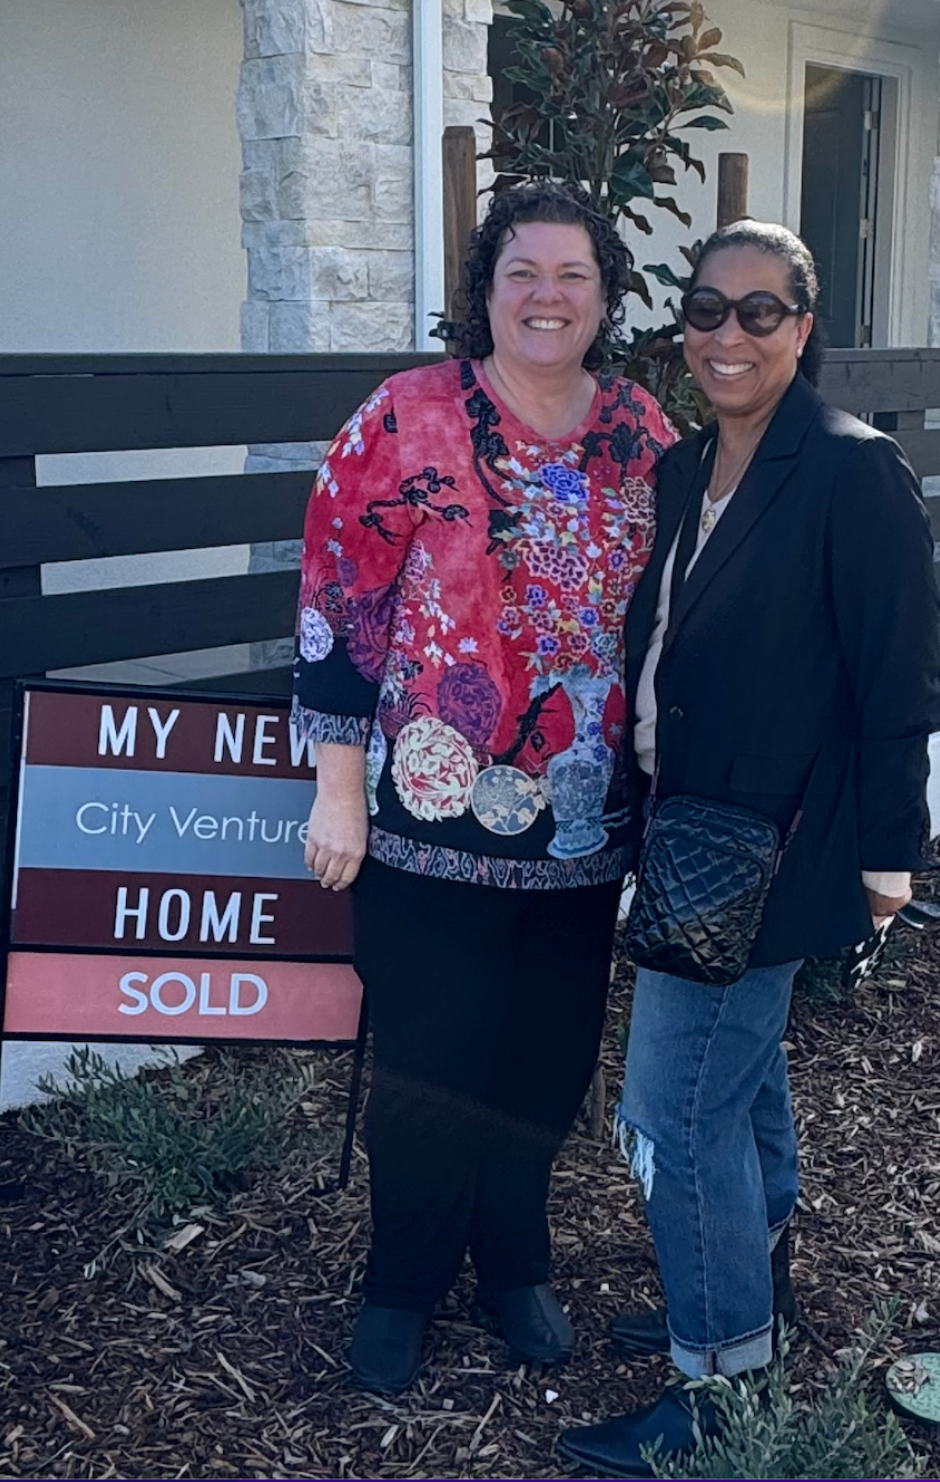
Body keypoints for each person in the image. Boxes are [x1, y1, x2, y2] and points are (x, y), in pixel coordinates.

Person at [558, 220, 940, 1477]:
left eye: (758, 313)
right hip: (684, 835)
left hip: (774, 853)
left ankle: (717, 1384)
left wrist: (894, 857)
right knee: (741, 1090)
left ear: (803, 326)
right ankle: (745, 1304)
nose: (728, 335)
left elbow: (899, 683)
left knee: (671, 1114)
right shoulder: (681, 470)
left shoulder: (848, 470)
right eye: (707, 312)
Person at [292, 181, 677, 1395]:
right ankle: (401, 1282)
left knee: (544, 1066)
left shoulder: (644, 436)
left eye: (571, 275)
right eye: (522, 273)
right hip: (421, 819)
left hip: (581, 831)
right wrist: (338, 788)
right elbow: (337, 606)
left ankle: (513, 1262)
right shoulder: (405, 419)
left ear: (606, 297)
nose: (546, 297)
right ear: (486, 291)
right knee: (428, 1063)